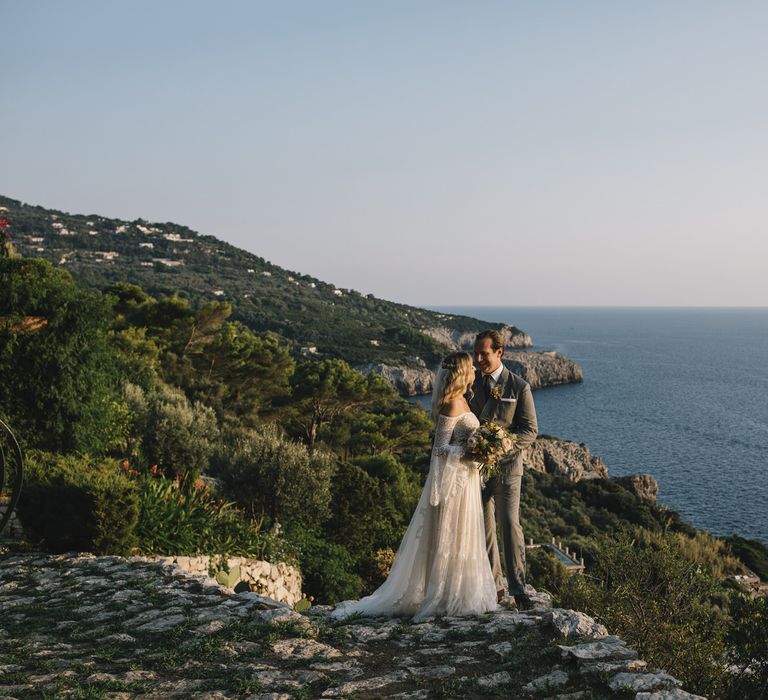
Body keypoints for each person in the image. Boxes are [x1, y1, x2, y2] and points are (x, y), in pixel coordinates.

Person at [331, 352, 497, 621]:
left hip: (465, 480)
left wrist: (482, 450)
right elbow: (440, 449)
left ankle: (464, 592)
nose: (476, 372)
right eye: (472, 369)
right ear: (463, 372)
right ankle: (444, 596)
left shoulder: (464, 400)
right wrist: (470, 451)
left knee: (464, 536)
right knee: (451, 536)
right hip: (453, 485)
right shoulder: (451, 406)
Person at [471, 330, 538, 610]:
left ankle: (519, 589)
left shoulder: (519, 387)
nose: (478, 359)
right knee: (484, 528)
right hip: (475, 468)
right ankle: (494, 587)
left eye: (483, 354)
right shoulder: (470, 383)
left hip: (508, 469)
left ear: (500, 352)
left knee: (510, 524)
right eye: (476, 353)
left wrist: (503, 445)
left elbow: (530, 430)